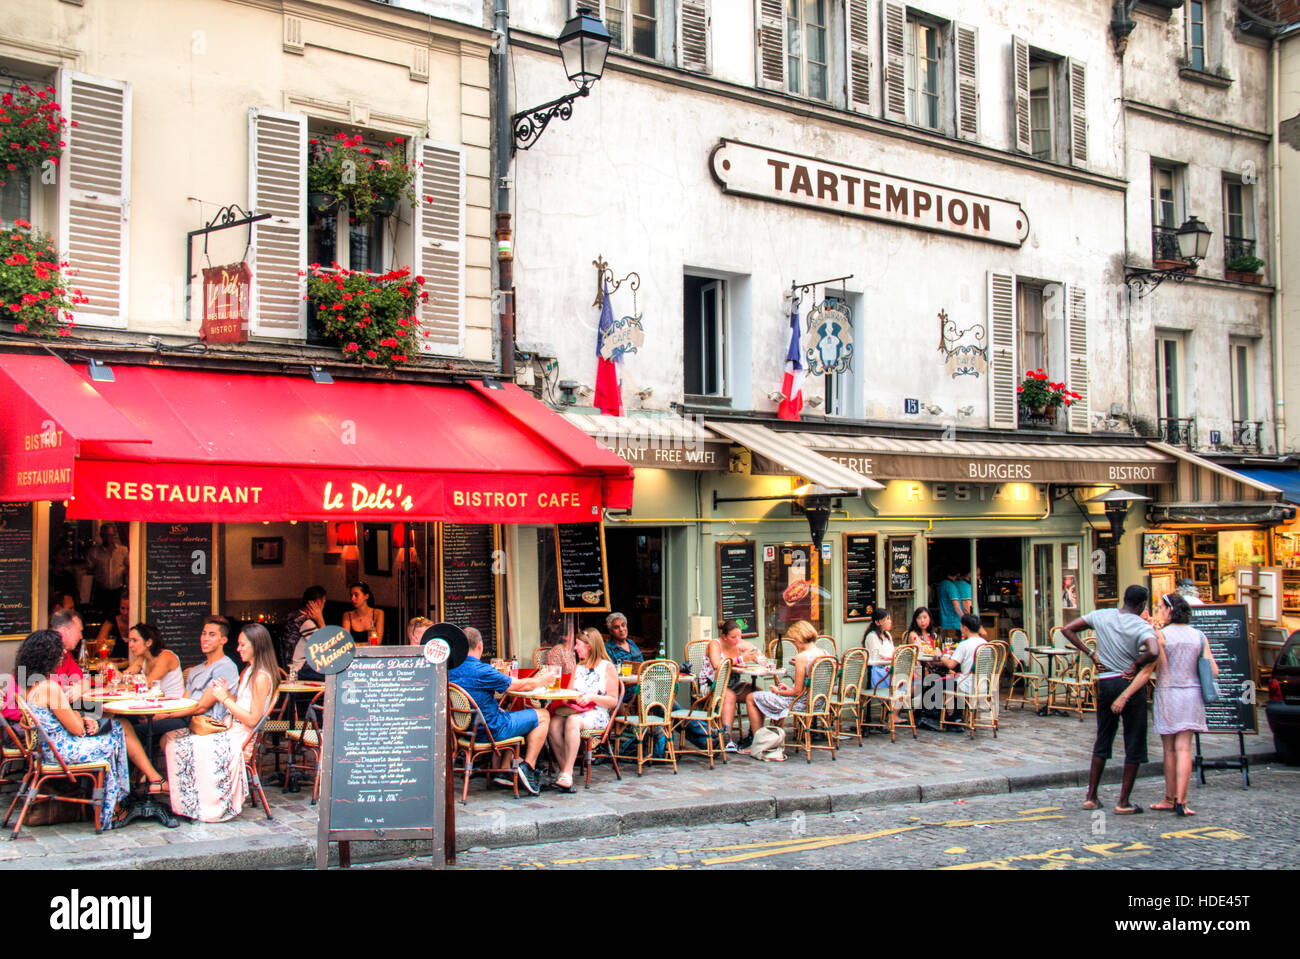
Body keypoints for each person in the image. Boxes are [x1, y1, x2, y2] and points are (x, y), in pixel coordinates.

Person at [18, 629, 166, 826]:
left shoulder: (31, 685)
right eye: (59, 650)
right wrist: (85, 721)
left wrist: (83, 719)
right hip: (62, 752)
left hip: (47, 750)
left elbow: (67, 719)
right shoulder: (49, 687)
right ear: (47, 655)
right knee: (115, 737)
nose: (63, 653)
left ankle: (118, 801)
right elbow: (76, 730)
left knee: (116, 727)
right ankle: (113, 808)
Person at [1111, 593, 1217, 816]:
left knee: (1169, 749)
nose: (1158, 610)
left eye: (1160, 607)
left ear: (1170, 611)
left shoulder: (1161, 636)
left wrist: (1125, 695)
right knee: (1185, 748)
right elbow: (1213, 670)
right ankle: (1183, 801)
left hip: (1168, 693)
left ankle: (1169, 797)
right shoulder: (1199, 636)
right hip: (1192, 694)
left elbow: (1149, 671)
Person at [1060, 584, 1160, 815]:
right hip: (1128, 683)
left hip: (1105, 681)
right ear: (1142, 604)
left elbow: (1068, 629)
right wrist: (1136, 663)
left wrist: (1091, 653)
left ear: (1124, 599)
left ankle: (1091, 795)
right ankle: (1123, 801)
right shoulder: (1140, 625)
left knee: (1103, 737)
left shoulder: (1102, 615)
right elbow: (1154, 651)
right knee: (1133, 740)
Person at [164, 623, 279, 822]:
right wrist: (227, 694)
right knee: (175, 741)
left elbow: (252, 719)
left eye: (243, 645)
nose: (238, 649)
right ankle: (192, 800)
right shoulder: (249, 672)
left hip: (242, 738)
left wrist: (224, 698)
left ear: (256, 646)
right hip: (232, 729)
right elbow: (242, 707)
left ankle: (202, 804)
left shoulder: (260, 677)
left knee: (181, 745)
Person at [448, 626, 551, 796]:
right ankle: (529, 766)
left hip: (463, 731)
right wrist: (543, 679)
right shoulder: (483, 671)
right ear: (480, 646)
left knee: (504, 711)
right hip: (491, 731)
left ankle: (503, 771)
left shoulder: (450, 670)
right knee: (544, 715)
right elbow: (521, 685)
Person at [547, 628, 620, 793]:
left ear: (589, 646)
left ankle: (567, 773)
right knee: (553, 724)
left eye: (578, 645)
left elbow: (613, 701)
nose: (574, 648)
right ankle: (565, 768)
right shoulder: (578, 667)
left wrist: (591, 697)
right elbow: (567, 695)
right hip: (577, 710)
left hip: (598, 713)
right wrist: (561, 693)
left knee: (572, 721)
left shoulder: (607, 668)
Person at [156, 616, 242, 741]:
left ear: (223, 640)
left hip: (205, 724)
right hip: (185, 718)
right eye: (204, 634)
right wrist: (162, 713)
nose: (206, 639)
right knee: (141, 726)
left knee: (142, 731)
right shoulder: (195, 670)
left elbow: (202, 707)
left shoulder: (226, 667)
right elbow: (183, 703)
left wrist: (166, 715)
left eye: (212, 635)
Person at [743, 620, 827, 733]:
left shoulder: (802, 657)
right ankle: (773, 735)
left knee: (751, 697)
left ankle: (758, 739)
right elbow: (807, 687)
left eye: (795, 640)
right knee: (766, 697)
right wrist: (787, 690)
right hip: (820, 702)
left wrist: (778, 691)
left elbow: (797, 692)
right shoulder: (825, 653)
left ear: (800, 638)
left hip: (801, 704)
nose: (795, 643)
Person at [698, 620, 762, 752]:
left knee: (758, 694)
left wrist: (757, 656)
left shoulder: (739, 645)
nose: (737, 640)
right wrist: (742, 658)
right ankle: (728, 739)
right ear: (724, 636)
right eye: (733, 637)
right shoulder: (715, 644)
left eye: (740, 636)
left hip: (734, 684)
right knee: (730, 696)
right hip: (712, 686)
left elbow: (760, 657)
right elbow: (717, 664)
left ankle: (757, 736)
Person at [935, 613, 989, 724]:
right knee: (956, 679)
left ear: (965, 628)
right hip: (983, 685)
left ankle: (938, 717)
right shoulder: (986, 644)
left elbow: (951, 665)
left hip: (967, 685)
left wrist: (940, 655)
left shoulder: (964, 645)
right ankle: (957, 716)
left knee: (936, 683)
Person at [122, 623, 184, 697]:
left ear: (148, 642)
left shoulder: (166, 656)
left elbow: (148, 683)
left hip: (174, 704)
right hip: (154, 702)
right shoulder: (142, 658)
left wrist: (131, 679)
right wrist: (114, 672)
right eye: (129, 641)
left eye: (134, 641)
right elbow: (125, 677)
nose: (130, 645)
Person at [86, 522, 129, 618]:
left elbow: (129, 568)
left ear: (114, 535)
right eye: (105, 535)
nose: (107, 538)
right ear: (101, 535)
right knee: (101, 616)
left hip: (118, 590)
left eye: (109, 535)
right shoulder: (94, 552)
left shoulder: (123, 551)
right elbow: (88, 570)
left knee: (117, 616)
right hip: (101, 591)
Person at [285, 586, 327, 678]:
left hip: (289, 666)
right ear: (319, 603)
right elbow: (327, 646)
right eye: (324, 603)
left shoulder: (293, 616)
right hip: (299, 670)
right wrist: (320, 620)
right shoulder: (306, 623)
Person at [605, 611, 643, 704]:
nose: (621, 629)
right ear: (610, 631)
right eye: (616, 627)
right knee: (659, 698)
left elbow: (643, 666)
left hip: (642, 686)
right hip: (626, 691)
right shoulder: (608, 648)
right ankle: (679, 717)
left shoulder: (631, 643)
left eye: (623, 625)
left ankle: (678, 717)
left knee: (665, 695)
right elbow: (612, 677)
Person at [863, 607, 896, 692]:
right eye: (887, 619)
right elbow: (876, 655)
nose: (890, 621)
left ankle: (901, 701)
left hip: (890, 666)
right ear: (878, 622)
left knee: (913, 675)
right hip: (880, 670)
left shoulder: (888, 635)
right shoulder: (872, 636)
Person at [94, 593, 132, 661]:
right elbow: (98, 648)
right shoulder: (111, 622)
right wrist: (106, 646)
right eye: (122, 608)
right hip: (114, 664)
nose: (125, 612)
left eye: (129, 609)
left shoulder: (139, 622)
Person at [937, 570, 963, 636]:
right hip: (954, 623)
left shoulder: (942, 584)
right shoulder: (951, 586)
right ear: (958, 574)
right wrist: (965, 618)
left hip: (944, 622)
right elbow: (956, 607)